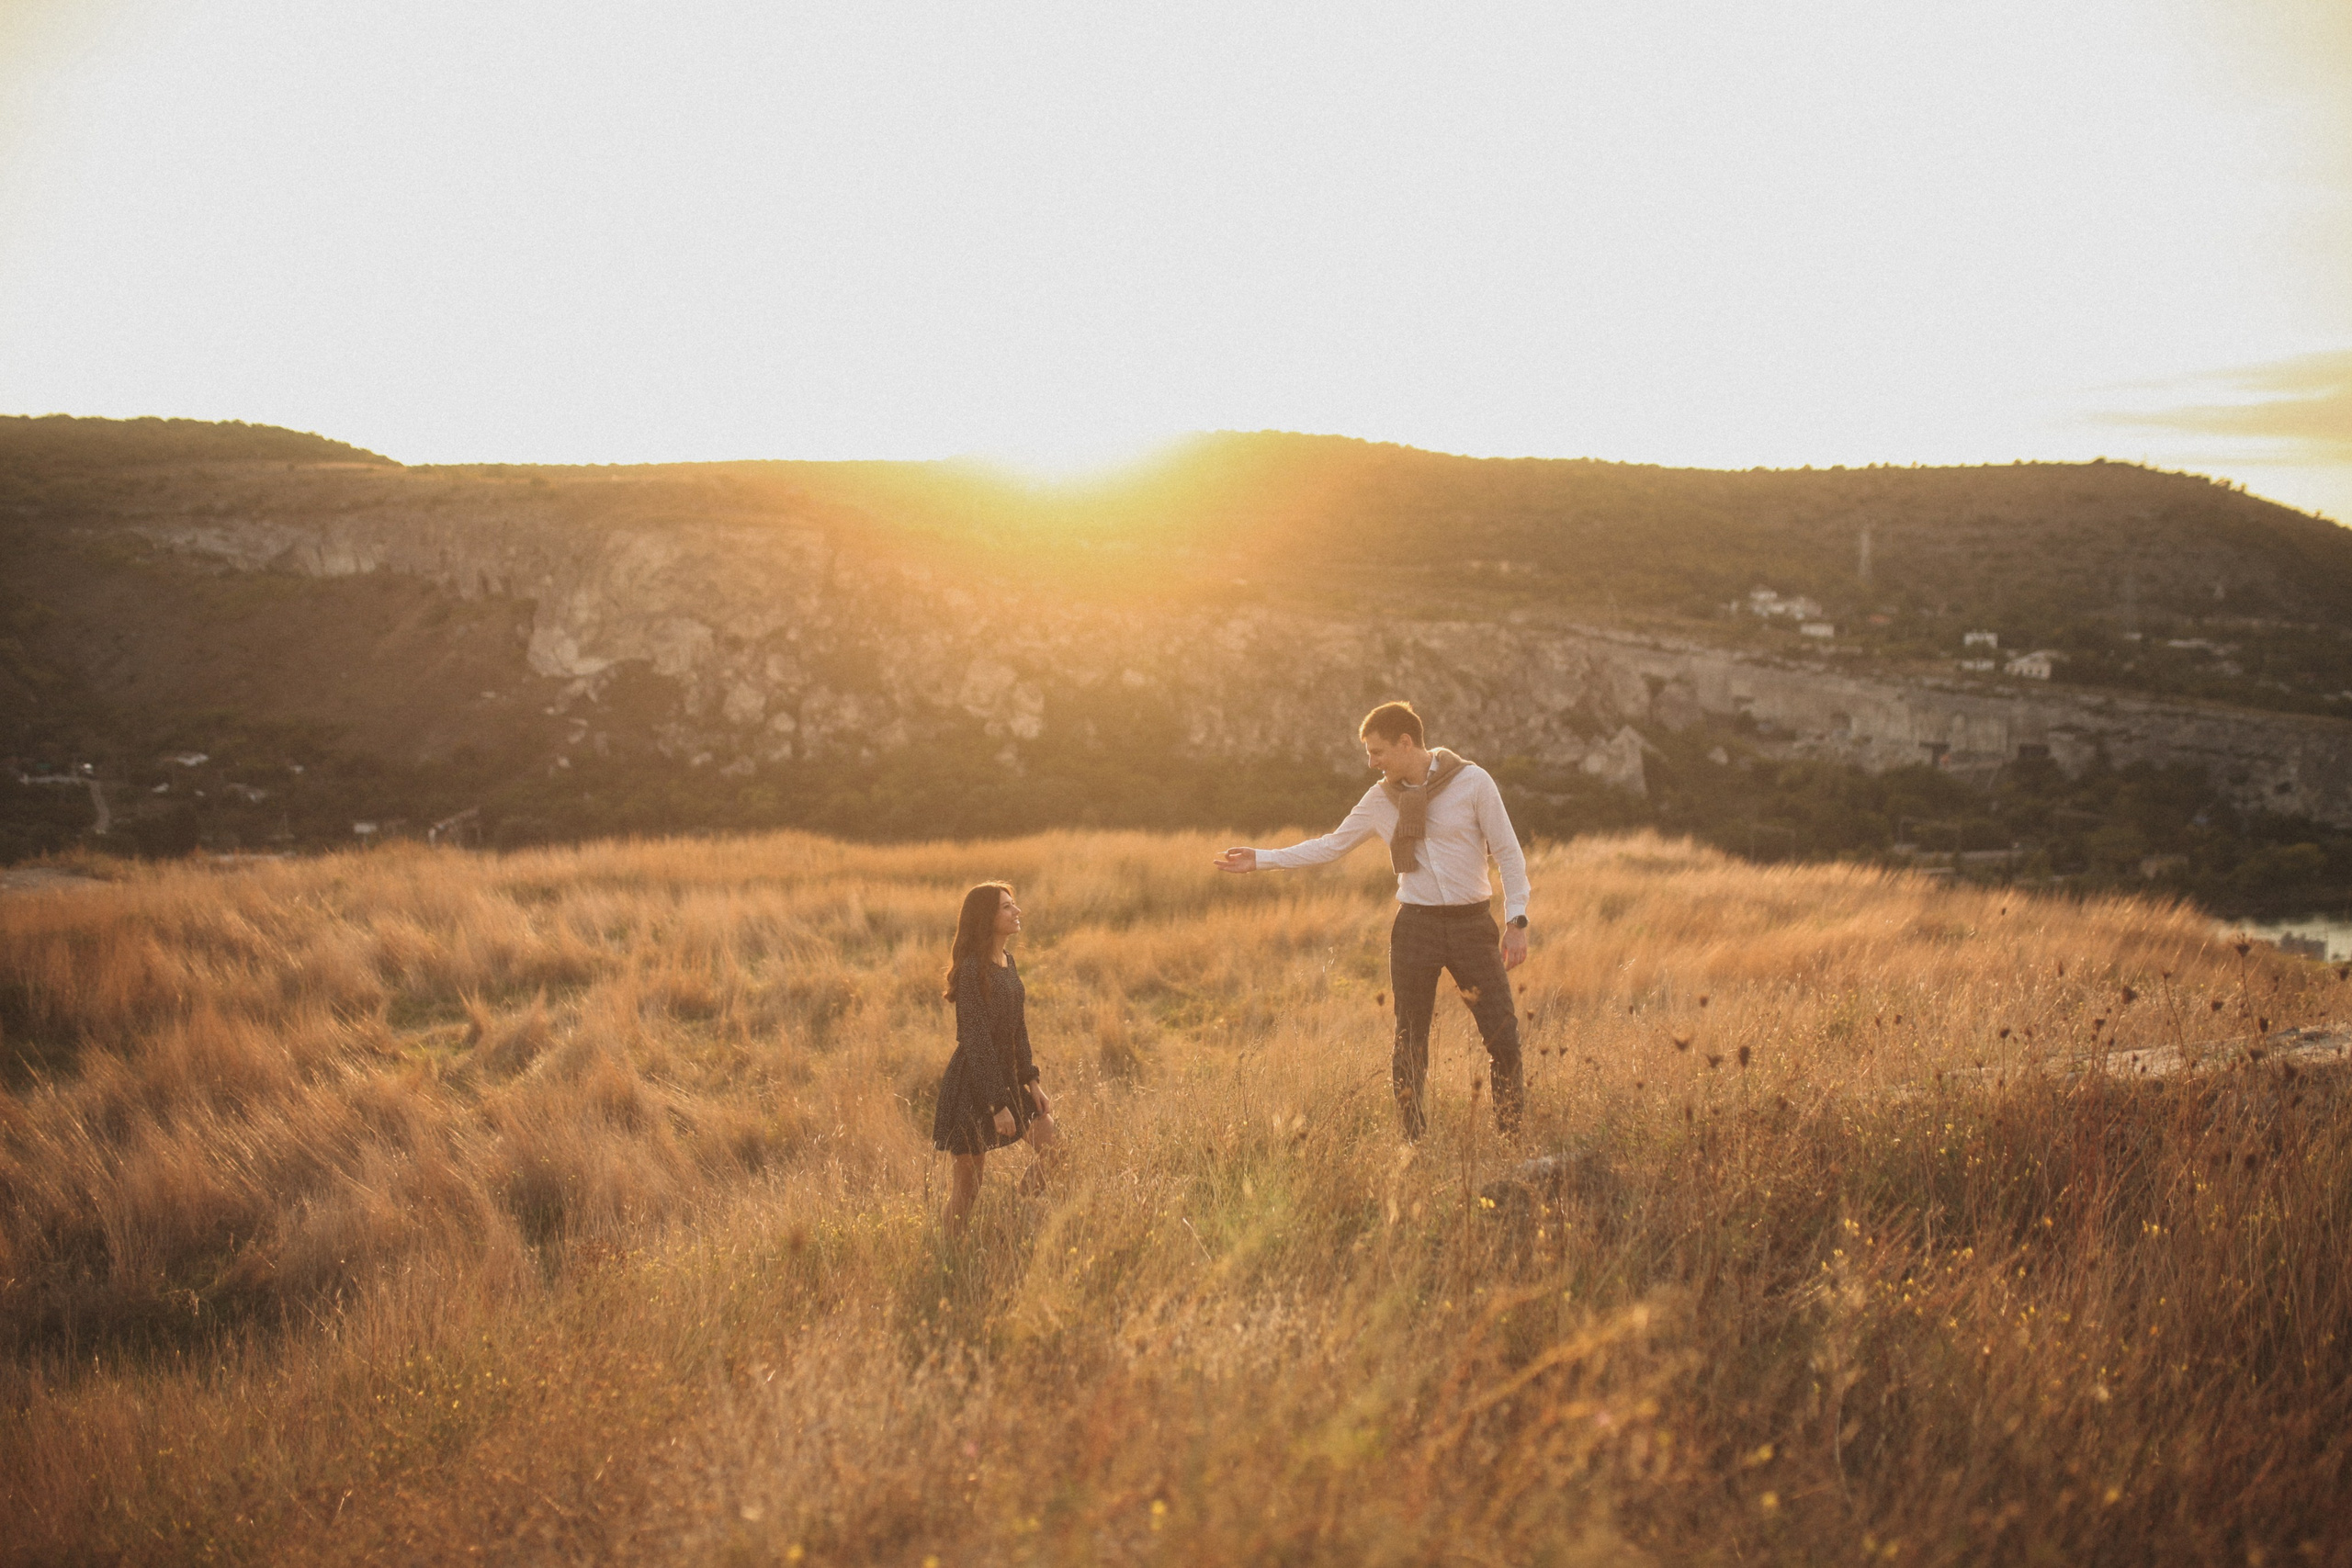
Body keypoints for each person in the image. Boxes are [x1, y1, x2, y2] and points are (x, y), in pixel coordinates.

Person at [1215, 701, 1530, 1140]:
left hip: (1471, 926)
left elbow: (1509, 853)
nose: (1371, 763)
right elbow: (1331, 845)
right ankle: (1413, 1143)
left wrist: (1517, 922)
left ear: (1406, 743)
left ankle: (1512, 1138)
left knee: (1504, 1039)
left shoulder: (1473, 783)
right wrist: (1262, 859)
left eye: (1377, 751)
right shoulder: (1381, 798)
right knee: (1409, 1044)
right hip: (1415, 927)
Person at [933, 881, 1063, 1234]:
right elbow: (975, 1041)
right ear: (986, 918)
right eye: (1007, 907)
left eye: (1013, 904)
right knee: (968, 1190)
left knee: (1053, 1148)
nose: (1016, 912)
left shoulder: (1009, 962)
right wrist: (997, 1105)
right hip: (972, 1087)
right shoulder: (973, 970)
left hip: (1005, 1080)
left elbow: (1017, 1030)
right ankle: (950, 1258)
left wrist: (1032, 1081)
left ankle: (1018, 1210)